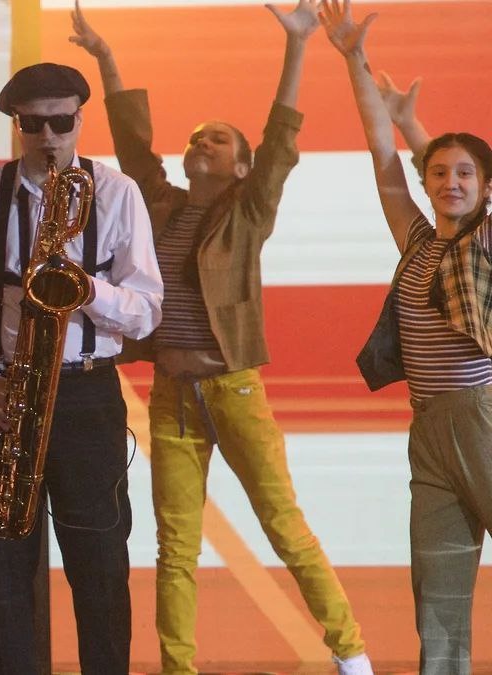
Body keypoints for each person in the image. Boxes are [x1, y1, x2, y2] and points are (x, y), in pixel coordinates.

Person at [70, 1, 373, 672]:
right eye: (196, 138)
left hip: (233, 389)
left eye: (218, 140)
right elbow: (134, 143)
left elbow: (281, 138)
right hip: (172, 398)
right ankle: (179, 668)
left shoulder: (249, 210)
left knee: (284, 528)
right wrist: (107, 58)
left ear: (241, 167)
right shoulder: (160, 206)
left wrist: (298, 45)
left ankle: (351, 652)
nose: (201, 144)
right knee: (175, 548)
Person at [0, 63, 163, 673]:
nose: (47, 137)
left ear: (80, 121)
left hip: (86, 395)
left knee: (100, 567)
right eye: (32, 124)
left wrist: (84, 288)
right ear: (17, 126)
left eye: (60, 123)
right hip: (0, 396)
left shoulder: (117, 192)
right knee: (4, 573)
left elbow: (146, 312)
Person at [322, 2, 492, 671]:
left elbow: (439, 163)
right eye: (439, 173)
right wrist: (354, 60)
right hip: (428, 428)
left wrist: (417, 127)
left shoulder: (485, 240)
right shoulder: (418, 245)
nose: (450, 183)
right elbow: (381, 153)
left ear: (486, 188)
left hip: (482, 419)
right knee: (437, 596)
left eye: (466, 174)